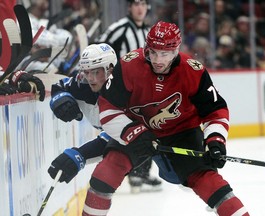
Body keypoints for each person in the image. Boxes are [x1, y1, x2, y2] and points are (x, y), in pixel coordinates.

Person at [83, 21, 250, 215]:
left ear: (176, 51)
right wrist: (134, 132)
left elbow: (215, 110)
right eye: (153, 52)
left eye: (164, 54)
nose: (157, 60)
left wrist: (215, 140)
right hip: (137, 129)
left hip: (182, 132)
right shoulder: (128, 65)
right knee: (106, 172)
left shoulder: (193, 71)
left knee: (208, 181)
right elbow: (108, 108)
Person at [97, 0, 162, 193]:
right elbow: (99, 50)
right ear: (129, 7)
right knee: (131, 128)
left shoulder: (149, 33)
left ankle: (141, 172)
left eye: (143, 3)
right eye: (136, 4)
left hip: (145, 90)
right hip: (124, 90)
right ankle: (133, 171)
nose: (140, 8)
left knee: (149, 127)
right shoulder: (119, 29)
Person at [48, 43, 117, 185]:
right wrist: (60, 99)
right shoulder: (83, 83)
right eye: (86, 71)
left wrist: (80, 154)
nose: (90, 78)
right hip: (125, 138)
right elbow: (60, 86)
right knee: (100, 182)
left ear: (110, 69)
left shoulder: (125, 90)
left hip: (147, 138)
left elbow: (116, 136)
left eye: (95, 72)